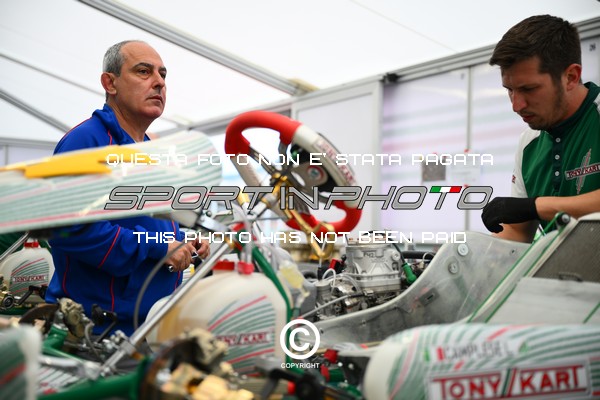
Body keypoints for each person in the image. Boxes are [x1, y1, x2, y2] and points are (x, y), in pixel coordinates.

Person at [46, 40, 209, 336]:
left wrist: (187, 241)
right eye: (144, 71)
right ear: (110, 83)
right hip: (97, 332)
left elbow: (149, 224)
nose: (159, 82)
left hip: (151, 324)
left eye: (162, 74)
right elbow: (67, 229)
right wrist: (158, 247)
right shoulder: (86, 142)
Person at [481, 15, 600, 243]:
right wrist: (475, 255)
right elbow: (517, 232)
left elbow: (532, 208)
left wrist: (536, 206)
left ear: (570, 77)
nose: (516, 105)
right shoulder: (529, 142)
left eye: (529, 89)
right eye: (510, 90)